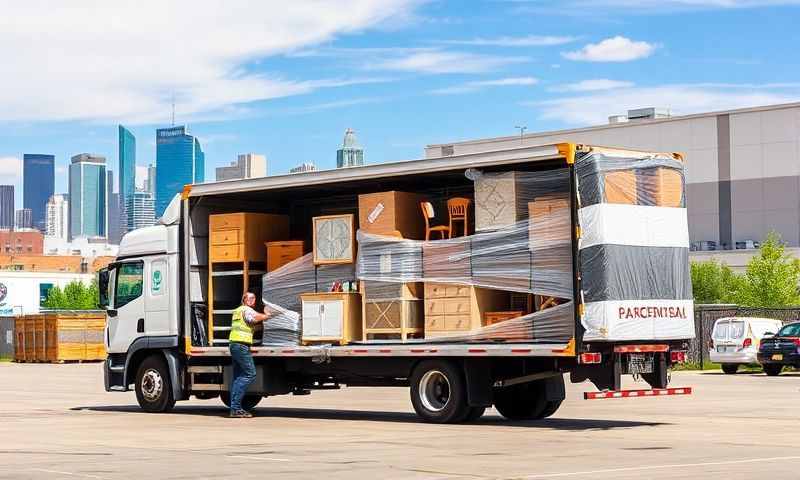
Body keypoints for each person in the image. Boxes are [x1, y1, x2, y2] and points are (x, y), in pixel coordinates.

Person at [228, 291, 270, 418]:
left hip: (235, 345)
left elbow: (249, 324)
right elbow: (254, 318)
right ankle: (235, 408)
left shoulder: (238, 311)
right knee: (249, 374)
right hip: (241, 346)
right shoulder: (246, 310)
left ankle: (234, 408)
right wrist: (266, 315)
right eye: (250, 298)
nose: (253, 300)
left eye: (254, 298)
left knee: (238, 377)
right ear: (244, 300)